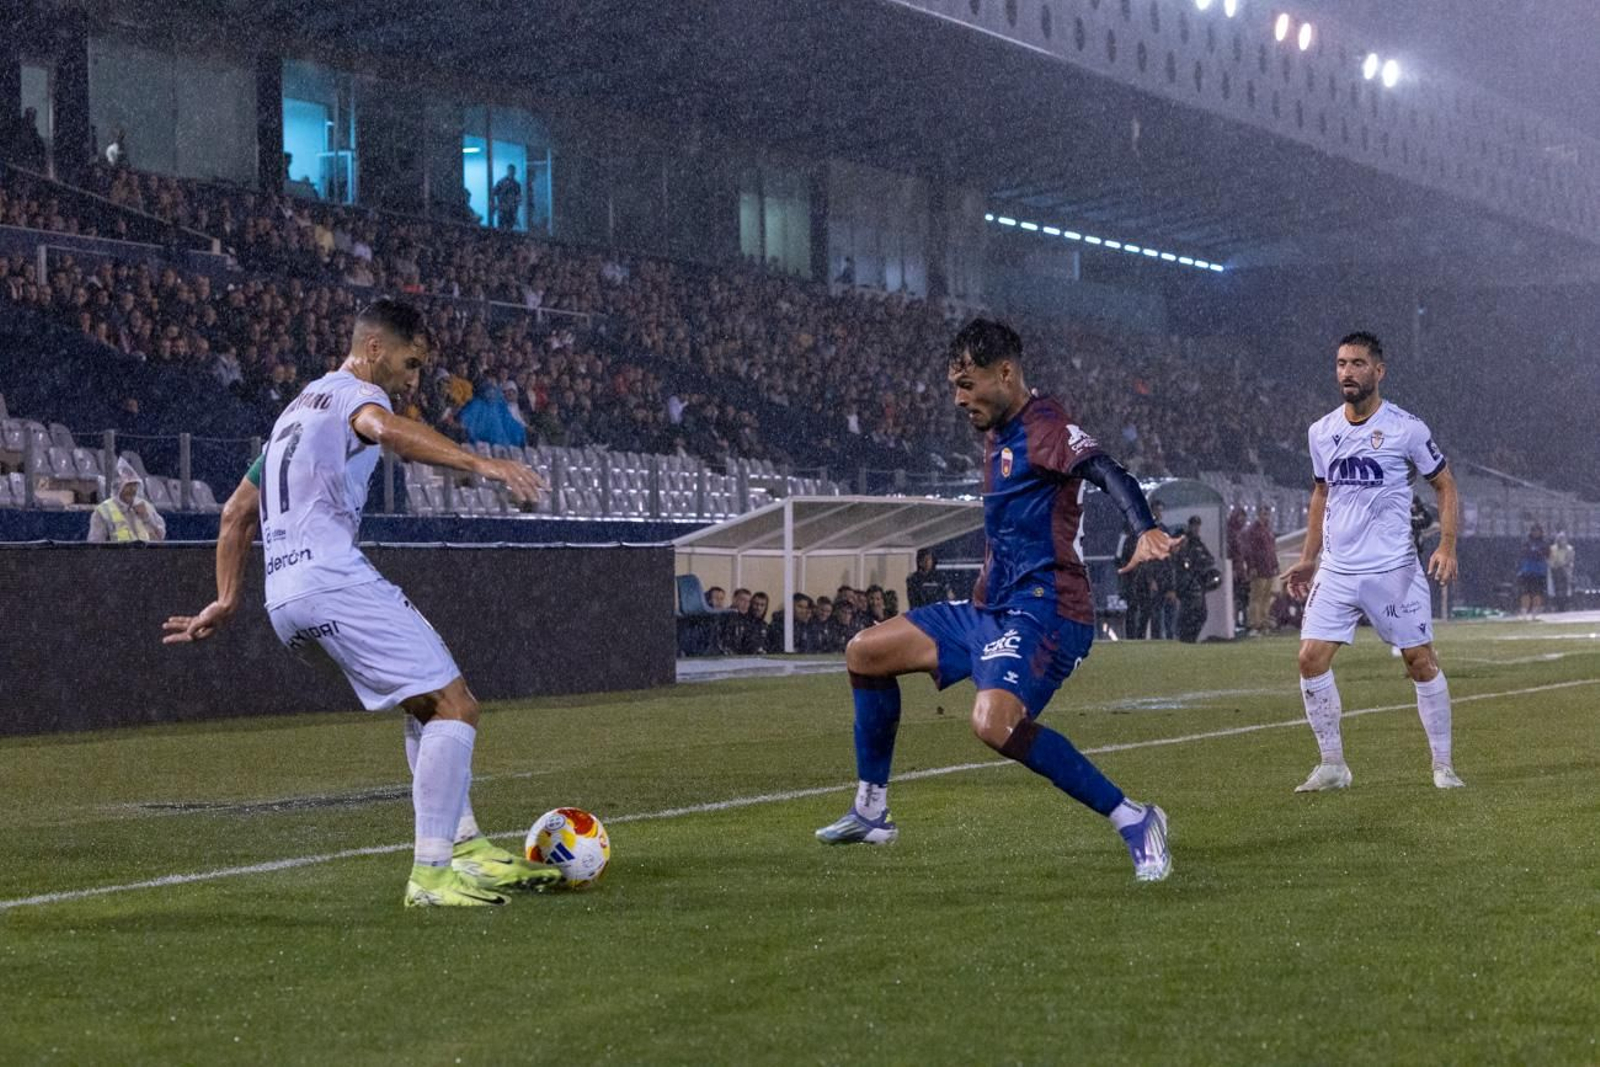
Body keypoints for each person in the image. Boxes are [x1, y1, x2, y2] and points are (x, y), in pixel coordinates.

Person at [161, 298, 561, 907]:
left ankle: (466, 847)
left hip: (284, 601)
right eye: (411, 363)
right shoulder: (356, 396)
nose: (414, 379)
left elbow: (236, 512)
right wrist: (484, 463)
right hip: (331, 580)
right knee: (455, 706)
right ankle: (432, 875)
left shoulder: (294, 413)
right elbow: (387, 431)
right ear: (374, 348)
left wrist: (227, 599)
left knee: (425, 702)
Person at [814, 318, 1183, 883]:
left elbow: (1107, 470)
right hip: (987, 610)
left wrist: (1144, 527)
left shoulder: (1045, 426)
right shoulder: (1000, 429)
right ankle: (871, 811)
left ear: (1005, 373)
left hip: (1047, 610)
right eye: (954, 386)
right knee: (865, 652)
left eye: (968, 384)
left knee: (993, 723)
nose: (959, 399)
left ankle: (1134, 818)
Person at [1281, 331, 1464, 792]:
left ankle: (1443, 766)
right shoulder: (1321, 432)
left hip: (1392, 569)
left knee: (1419, 661)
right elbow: (1321, 493)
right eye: (1341, 363)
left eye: (1358, 364)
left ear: (1378, 371)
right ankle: (1332, 765)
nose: (1347, 372)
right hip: (1338, 569)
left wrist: (1446, 544)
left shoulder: (1406, 428)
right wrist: (1308, 558)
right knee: (1309, 659)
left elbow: (1445, 484)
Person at [88, 458, 167, 542]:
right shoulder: (103, 511)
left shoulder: (146, 507)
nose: (132, 489)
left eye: (135, 484)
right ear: (118, 486)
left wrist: (146, 518)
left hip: (144, 551)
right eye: (128, 485)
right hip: (118, 551)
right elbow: (96, 544)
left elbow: (159, 539)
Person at [1172, 516, 1216, 643]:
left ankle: (1191, 638)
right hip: (1186, 584)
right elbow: (1180, 562)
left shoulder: (1198, 543)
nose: (1196, 528)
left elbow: (1210, 559)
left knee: (1201, 614)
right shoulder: (1185, 542)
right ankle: (1183, 638)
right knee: (1187, 614)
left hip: (1198, 583)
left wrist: (1201, 562)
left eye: (1198, 525)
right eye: (1194, 525)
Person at [1245, 508, 1278, 634]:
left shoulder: (1268, 530)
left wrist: (1275, 565)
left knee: (1266, 597)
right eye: (1264, 514)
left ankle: (1264, 623)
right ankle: (1254, 624)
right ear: (1258, 514)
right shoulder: (1253, 530)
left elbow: (1272, 549)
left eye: (1267, 514)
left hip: (1268, 568)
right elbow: (1250, 550)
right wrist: (1252, 566)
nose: (1266, 517)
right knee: (1256, 597)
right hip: (1259, 568)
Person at [1517, 523, 1549, 616]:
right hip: (1527, 571)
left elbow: (1546, 554)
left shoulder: (1544, 543)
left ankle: (1534, 613)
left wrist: (1537, 553)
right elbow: (1524, 553)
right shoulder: (1526, 543)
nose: (1536, 533)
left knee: (1537, 593)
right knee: (1525, 592)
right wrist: (1534, 552)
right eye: (1534, 531)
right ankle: (1524, 612)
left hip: (1539, 572)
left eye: (1538, 531)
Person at [1548, 532, 1575, 613]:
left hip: (1566, 570)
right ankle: (1557, 605)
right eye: (1560, 539)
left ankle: (1565, 604)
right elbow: (1551, 560)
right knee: (1557, 587)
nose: (1562, 541)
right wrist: (1555, 565)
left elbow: (1570, 559)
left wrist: (1564, 565)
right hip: (1555, 570)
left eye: (1563, 539)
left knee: (1565, 587)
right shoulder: (1552, 549)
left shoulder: (1570, 549)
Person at [492, 165, 522, 230]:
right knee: (501, 229)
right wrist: (494, 207)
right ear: (507, 171)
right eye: (510, 171)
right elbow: (493, 193)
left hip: (511, 211)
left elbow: (518, 199)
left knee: (509, 228)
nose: (511, 172)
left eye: (513, 171)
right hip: (502, 210)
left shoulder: (517, 185)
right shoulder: (501, 182)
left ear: (515, 172)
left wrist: (516, 213)